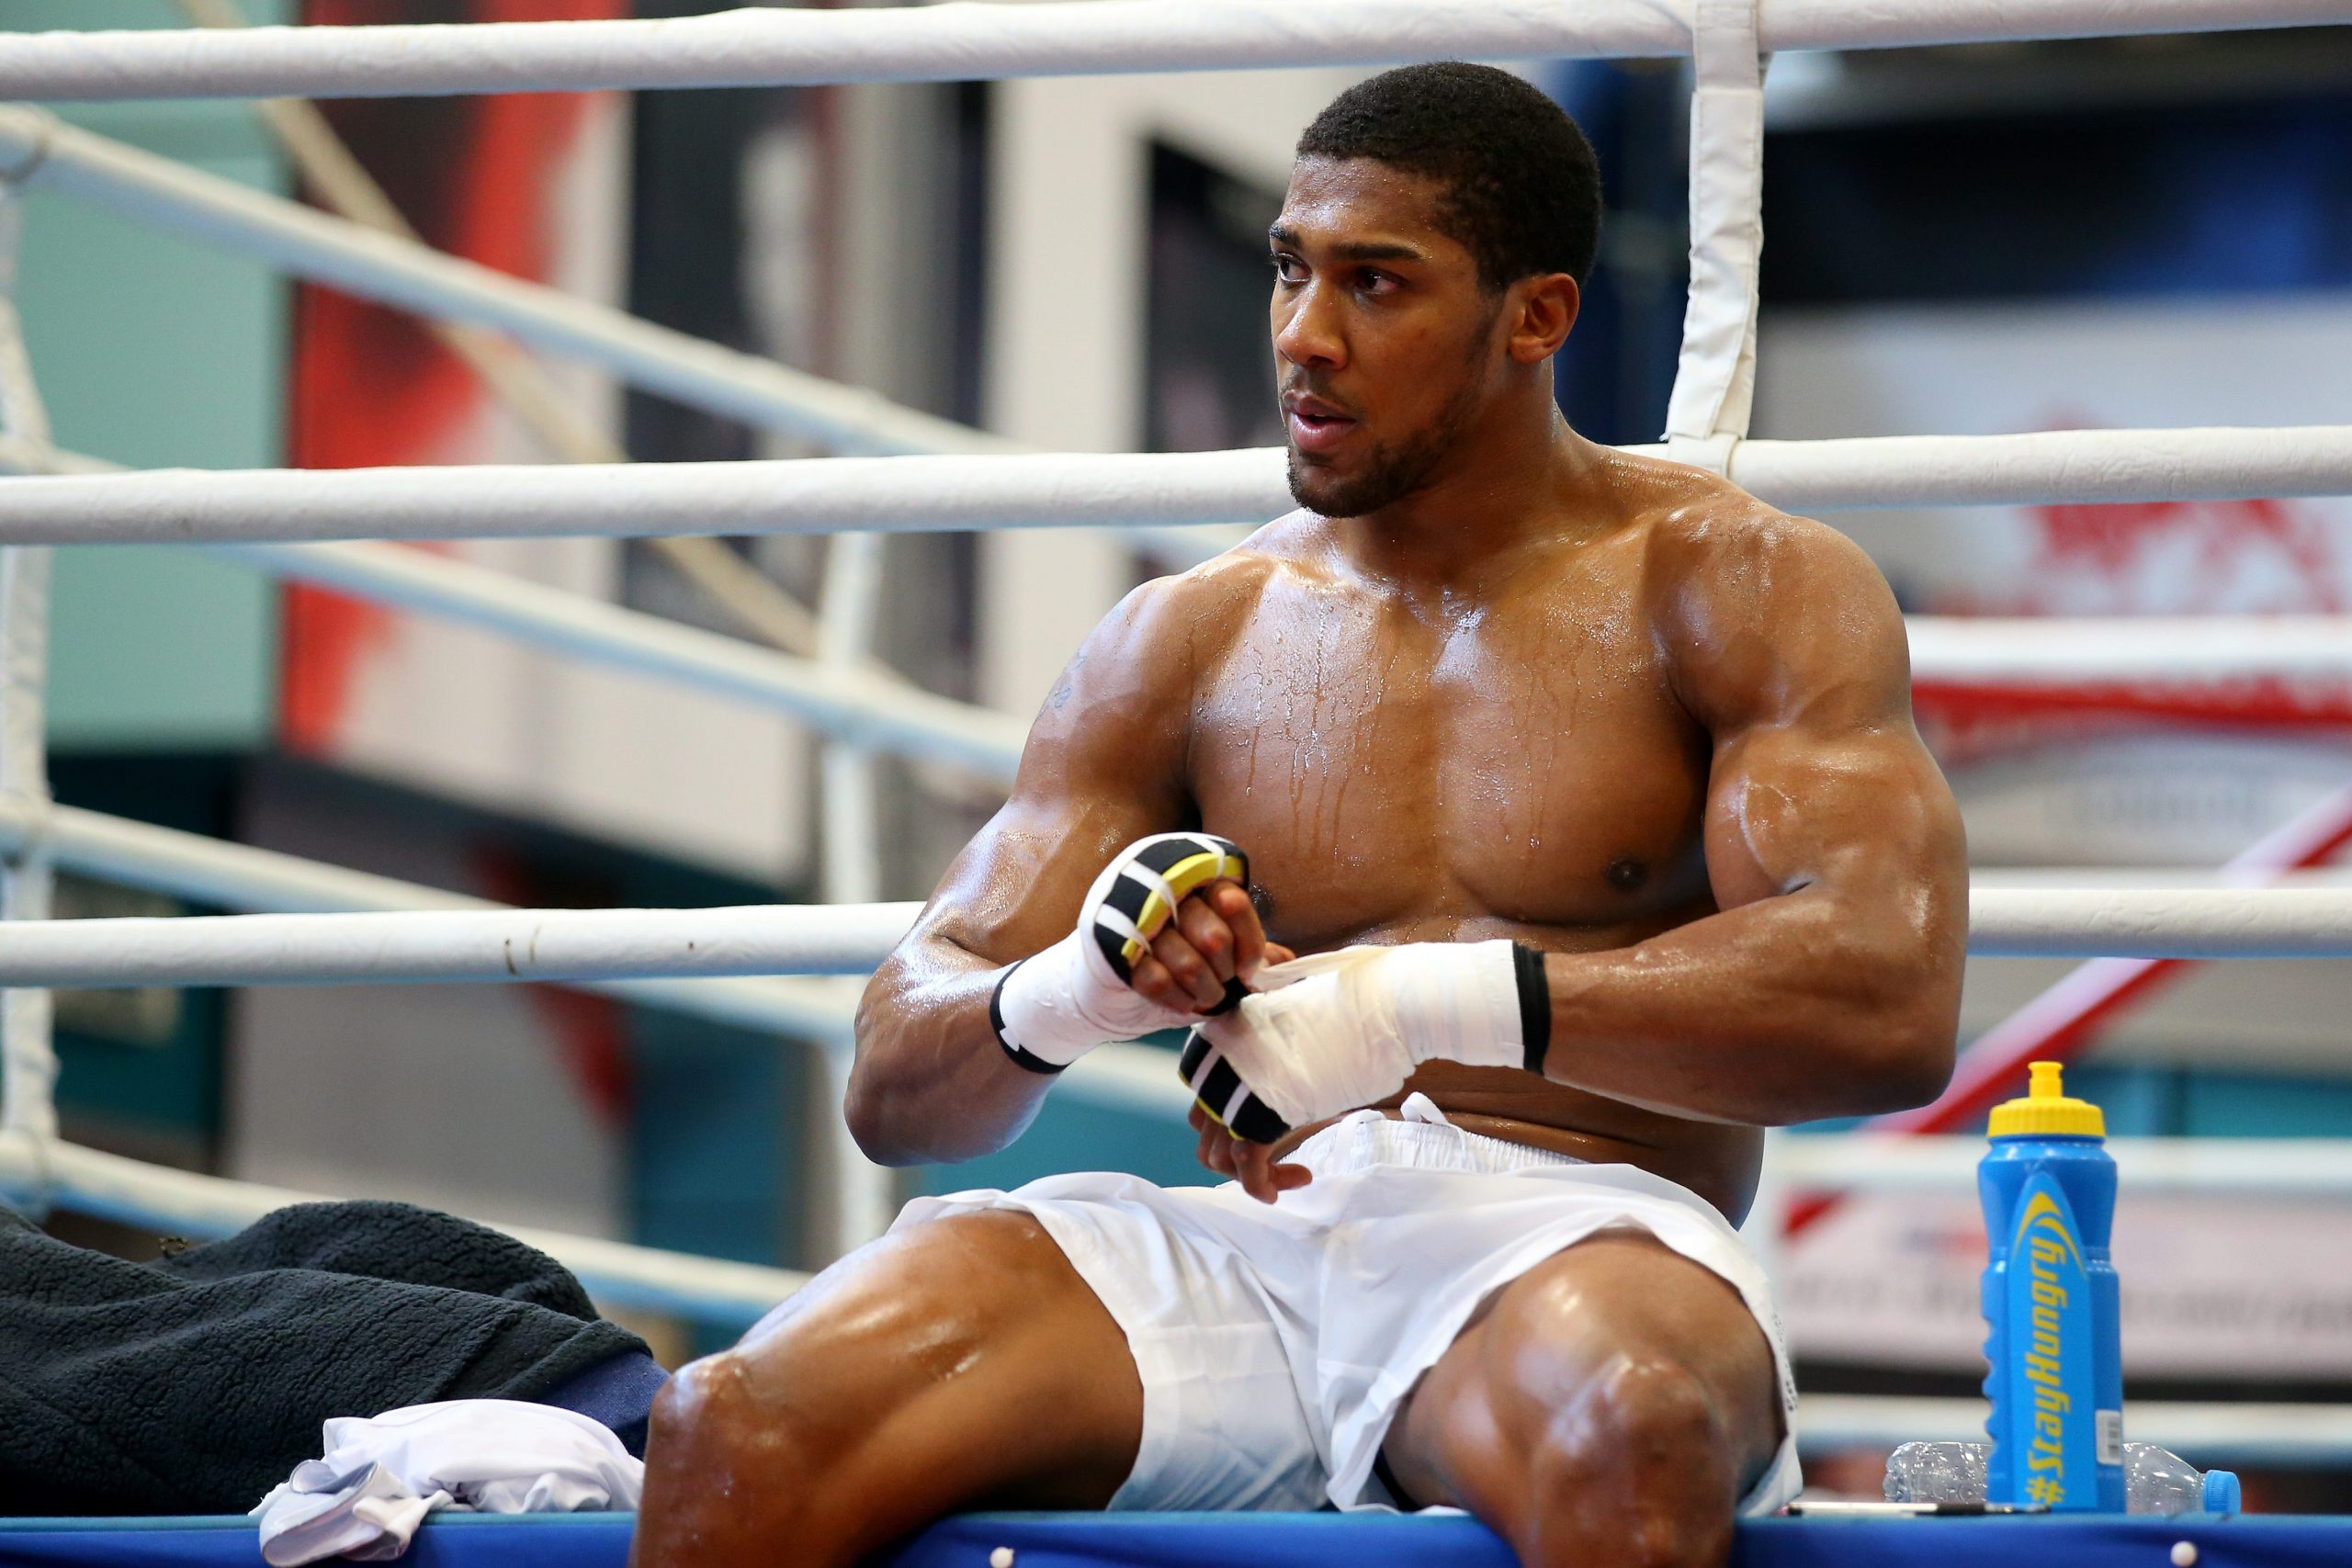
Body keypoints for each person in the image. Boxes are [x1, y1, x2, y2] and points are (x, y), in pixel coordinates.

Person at [632, 62, 1966, 1568]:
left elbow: (1883, 997)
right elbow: (896, 1077)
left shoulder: (1732, 585)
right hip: (1252, 1247)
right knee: (732, 1424)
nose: (1302, 339)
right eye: (1288, 270)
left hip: (1567, 1240)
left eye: (1375, 284)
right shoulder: (1188, 638)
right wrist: (1077, 985)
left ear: (1535, 317)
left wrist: (1409, 1007)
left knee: (1633, 1429)